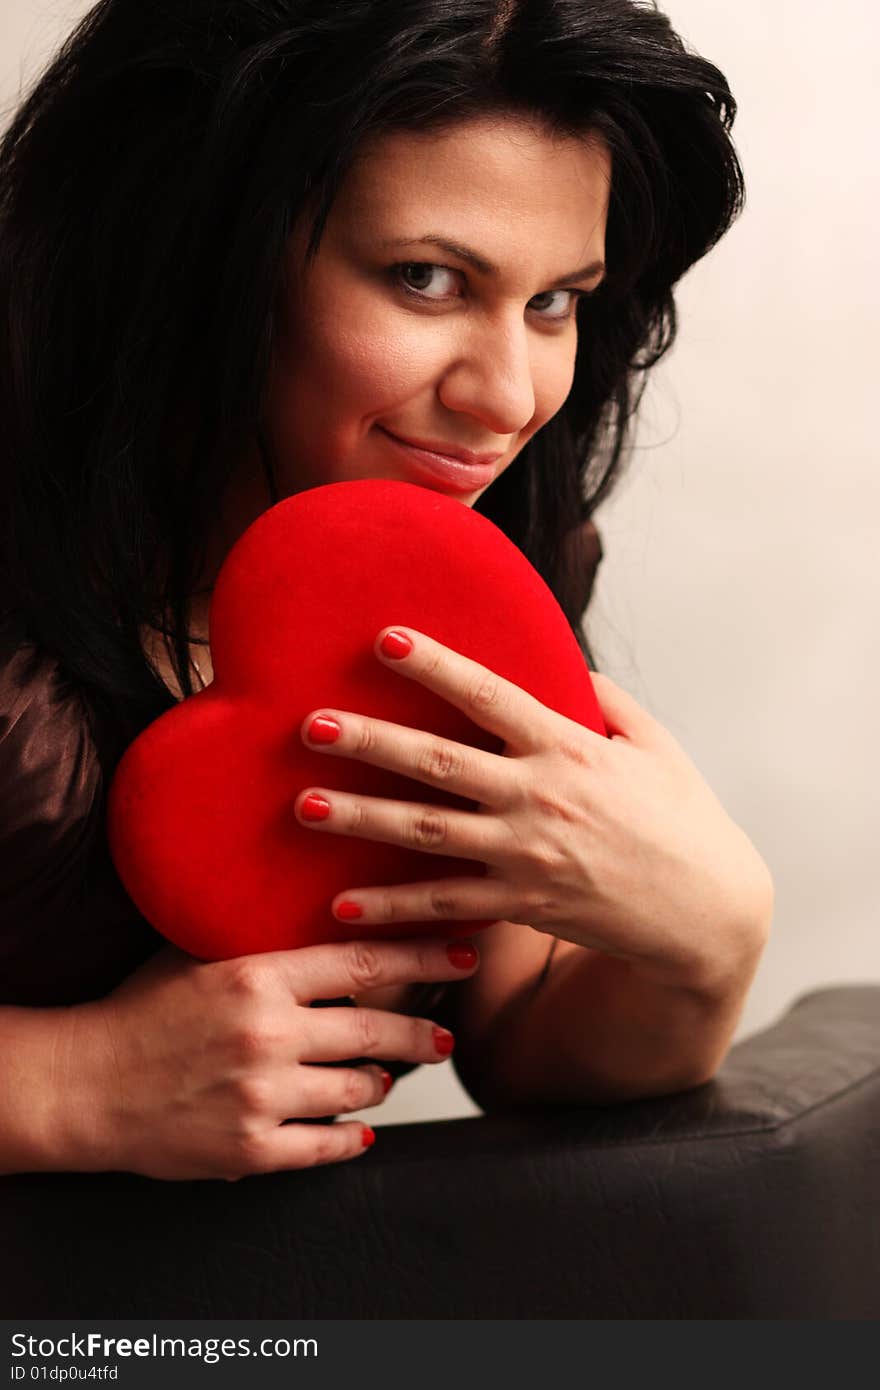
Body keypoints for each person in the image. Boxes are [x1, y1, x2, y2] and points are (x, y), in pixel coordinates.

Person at [0, 0, 773, 1183]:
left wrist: (710, 936)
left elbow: (516, 1036)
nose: (508, 395)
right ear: (205, 248)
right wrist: (64, 1087)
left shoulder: (473, 566)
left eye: (553, 300)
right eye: (423, 278)